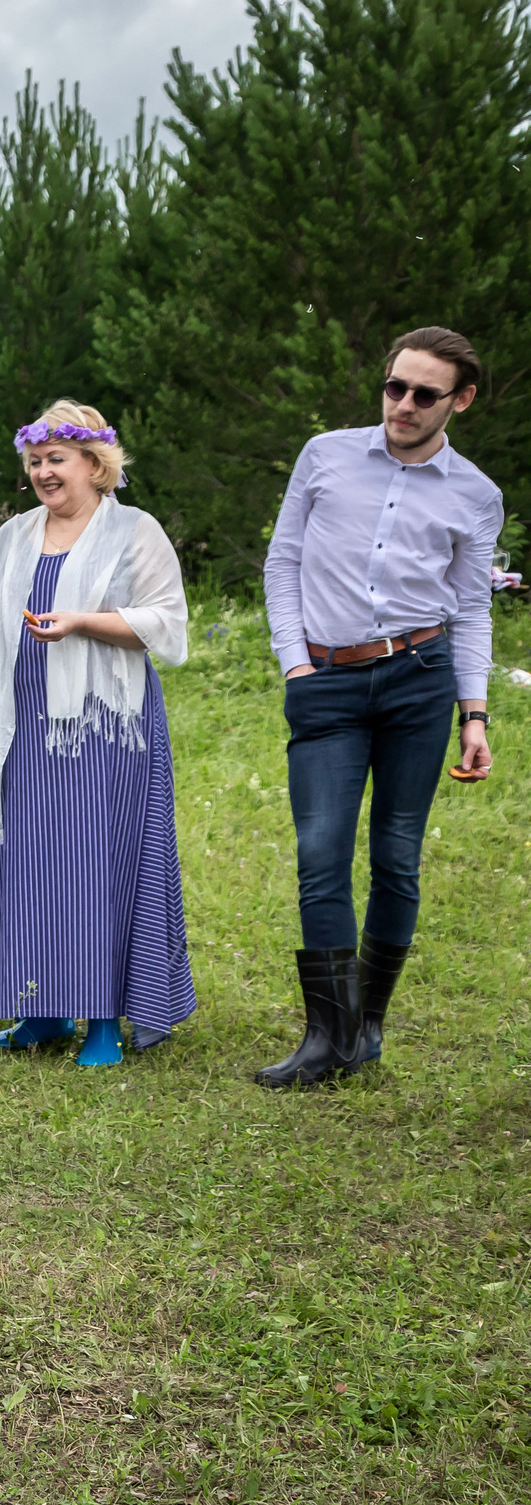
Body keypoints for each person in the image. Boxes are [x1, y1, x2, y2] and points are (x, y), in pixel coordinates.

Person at [257, 327, 500, 1088]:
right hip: (325, 681)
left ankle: (366, 1029)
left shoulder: (476, 495)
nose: (404, 404)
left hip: (418, 680)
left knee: (396, 854)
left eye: (425, 394)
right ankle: (326, 1036)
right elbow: (283, 562)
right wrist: (296, 663)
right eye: (396, 386)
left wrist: (474, 714)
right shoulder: (324, 456)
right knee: (320, 851)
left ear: (460, 400)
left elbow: (471, 607)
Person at [0, 402, 195, 1064]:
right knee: (30, 860)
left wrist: (83, 621)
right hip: (22, 725)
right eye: (35, 461)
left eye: (56, 459)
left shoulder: (134, 531)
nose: (43, 473)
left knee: (94, 864)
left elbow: (166, 625)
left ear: (95, 463)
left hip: (106, 729)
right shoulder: (13, 536)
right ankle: (41, 1012)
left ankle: (104, 1023)